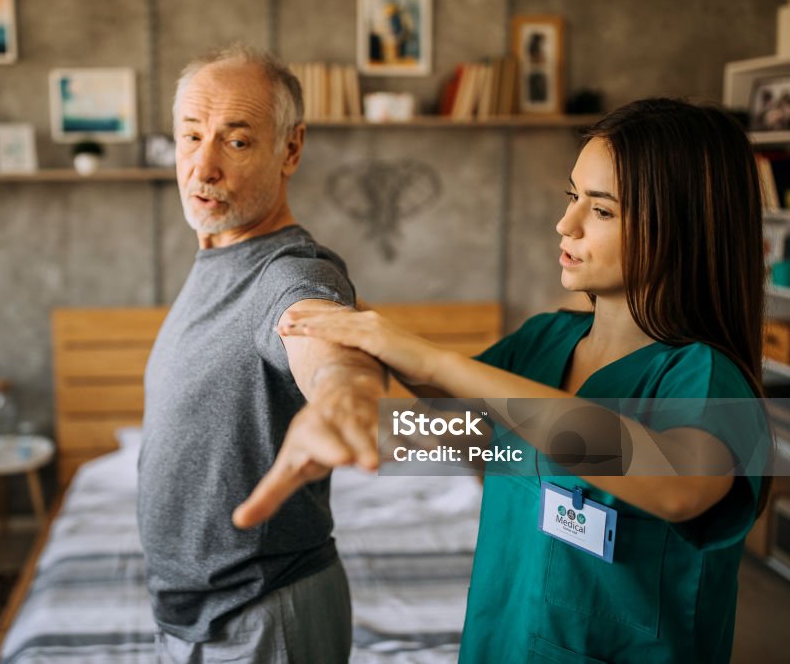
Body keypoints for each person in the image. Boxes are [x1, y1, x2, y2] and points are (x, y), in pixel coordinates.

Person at [234, 98, 769, 663]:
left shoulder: (706, 378)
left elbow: (677, 485)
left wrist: (431, 357)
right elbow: (458, 414)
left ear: (686, 229)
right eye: (572, 196)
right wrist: (338, 310)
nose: (566, 224)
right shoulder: (544, 342)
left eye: (603, 211)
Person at [137, 44, 384, 664]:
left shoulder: (288, 269)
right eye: (191, 137)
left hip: (264, 616)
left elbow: (316, 325)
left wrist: (343, 390)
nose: (203, 167)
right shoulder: (217, 259)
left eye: (237, 142)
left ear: (290, 150)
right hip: (194, 618)